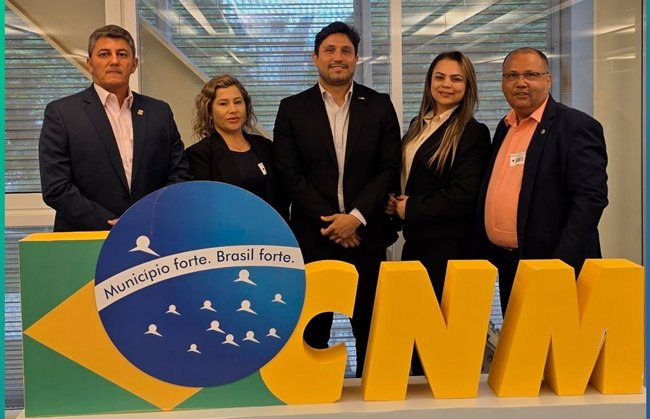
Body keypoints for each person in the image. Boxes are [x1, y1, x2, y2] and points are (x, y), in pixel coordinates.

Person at [273, 21, 401, 377]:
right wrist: (334, 222)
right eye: (329, 50)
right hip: (316, 238)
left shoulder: (379, 105)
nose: (338, 57)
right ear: (315, 58)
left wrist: (355, 218)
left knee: (370, 328)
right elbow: (289, 174)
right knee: (313, 331)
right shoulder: (292, 108)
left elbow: (389, 168)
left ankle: (372, 395)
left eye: (346, 51)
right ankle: (314, 394)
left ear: (356, 58)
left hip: (366, 237)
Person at [475, 47, 608, 314]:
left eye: (531, 74)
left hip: (553, 267)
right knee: (519, 338)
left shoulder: (575, 126)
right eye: (512, 75)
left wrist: (560, 265)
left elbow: (590, 199)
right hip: (509, 264)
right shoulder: (505, 126)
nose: (520, 82)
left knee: (554, 340)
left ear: (548, 79)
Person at [385, 51, 490, 376]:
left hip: (449, 249)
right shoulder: (420, 125)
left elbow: (464, 195)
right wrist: (394, 204)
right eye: (440, 77)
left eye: (456, 79)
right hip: (418, 244)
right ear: (429, 82)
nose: (447, 84)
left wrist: (410, 207)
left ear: (467, 86)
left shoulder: (472, 132)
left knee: (441, 346)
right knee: (417, 340)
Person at [39, 24, 191, 232]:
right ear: (90, 64)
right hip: (87, 237)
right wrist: (110, 222)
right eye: (104, 54)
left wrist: (151, 215)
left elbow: (179, 173)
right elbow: (55, 187)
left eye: (122, 54)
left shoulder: (159, 112)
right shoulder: (62, 113)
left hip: (153, 232)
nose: (114, 61)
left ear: (134, 64)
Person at [185, 74, 288, 219]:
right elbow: (203, 207)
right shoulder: (199, 154)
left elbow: (281, 195)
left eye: (238, 102)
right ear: (209, 112)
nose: (233, 109)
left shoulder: (265, 146)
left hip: (270, 228)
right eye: (223, 104)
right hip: (226, 230)